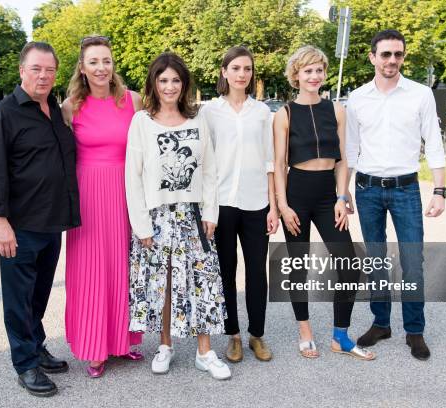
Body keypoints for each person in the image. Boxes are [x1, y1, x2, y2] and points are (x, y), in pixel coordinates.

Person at [0, 41, 80, 397]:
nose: (43, 75)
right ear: (22, 71)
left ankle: (36, 345)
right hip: (19, 226)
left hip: (52, 223)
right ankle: (25, 364)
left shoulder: (53, 108)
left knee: (38, 295)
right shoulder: (3, 114)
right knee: (19, 298)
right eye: (36, 69)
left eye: (50, 70)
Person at [125, 52, 231, 380]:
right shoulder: (141, 122)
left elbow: (210, 170)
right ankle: (165, 346)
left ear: (183, 84)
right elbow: (133, 176)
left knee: (203, 283)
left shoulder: (198, 119)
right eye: (163, 80)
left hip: (194, 216)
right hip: (157, 218)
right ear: (153, 84)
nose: (169, 86)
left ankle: (205, 352)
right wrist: (141, 225)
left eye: (175, 80)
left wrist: (211, 212)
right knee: (163, 284)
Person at [345, 29, 446, 361]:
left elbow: (433, 142)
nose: (392, 60)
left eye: (398, 54)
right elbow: (350, 149)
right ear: (373, 57)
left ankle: (414, 331)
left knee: (412, 262)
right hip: (367, 189)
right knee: (375, 260)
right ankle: (381, 323)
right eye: (385, 54)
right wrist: (341, 192)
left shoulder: (420, 94)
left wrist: (440, 189)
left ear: (403, 57)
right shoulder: (357, 97)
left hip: (405, 188)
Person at [273, 46, 375, 361]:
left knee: (350, 263)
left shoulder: (337, 110)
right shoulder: (284, 114)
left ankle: (340, 336)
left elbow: (342, 159)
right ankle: (305, 332)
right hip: (297, 194)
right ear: (296, 75)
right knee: (299, 266)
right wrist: (283, 205)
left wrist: (342, 196)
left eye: (318, 70)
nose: (314, 76)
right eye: (308, 71)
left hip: (327, 196)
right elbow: (278, 164)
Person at [61, 35, 143, 378]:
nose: (101, 68)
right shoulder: (69, 107)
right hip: (88, 196)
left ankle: (122, 341)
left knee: (123, 267)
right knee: (90, 271)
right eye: (93, 61)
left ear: (113, 65)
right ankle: (94, 348)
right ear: (82, 67)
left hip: (124, 193)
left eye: (106, 60)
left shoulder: (133, 101)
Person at [201, 46, 279, 364]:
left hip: (256, 202)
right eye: (235, 68)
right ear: (224, 72)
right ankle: (232, 335)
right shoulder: (209, 111)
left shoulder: (262, 112)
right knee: (226, 271)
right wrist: (207, 209)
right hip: (222, 204)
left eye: (247, 69)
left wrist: (273, 207)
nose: (241, 74)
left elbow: (270, 162)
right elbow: (205, 163)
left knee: (257, 272)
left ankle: (256, 335)